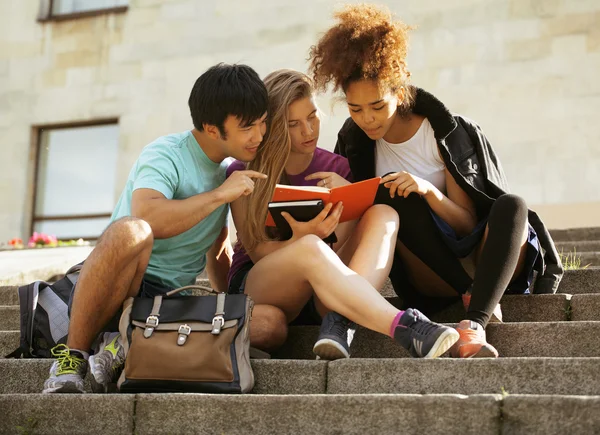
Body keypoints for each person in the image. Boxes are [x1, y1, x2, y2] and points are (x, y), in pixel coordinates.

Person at [308, 4, 563, 358]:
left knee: (513, 205)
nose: (367, 118)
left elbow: (468, 222)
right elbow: (359, 231)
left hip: (487, 260)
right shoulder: (354, 143)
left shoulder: (444, 130)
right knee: (391, 197)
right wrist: (346, 190)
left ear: (400, 89)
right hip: (430, 274)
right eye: (355, 109)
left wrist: (428, 190)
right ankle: (467, 292)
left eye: (377, 106)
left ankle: (474, 323)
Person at [42, 63, 288, 394]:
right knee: (130, 230)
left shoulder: (228, 172)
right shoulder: (166, 153)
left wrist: (227, 303)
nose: (258, 135)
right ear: (212, 128)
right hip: (120, 285)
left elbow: (216, 249)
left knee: (270, 324)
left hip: (170, 305)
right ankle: (73, 356)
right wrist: (218, 196)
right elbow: (149, 217)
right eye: (247, 127)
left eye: (262, 123)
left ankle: (123, 342)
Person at [227, 68, 459, 361]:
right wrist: (303, 238)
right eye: (294, 124)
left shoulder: (338, 167)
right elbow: (258, 252)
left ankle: (341, 319)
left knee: (384, 213)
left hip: (327, 289)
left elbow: (339, 250)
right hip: (263, 284)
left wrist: (349, 195)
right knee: (307, 252)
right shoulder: (244, 171)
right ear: (272, 127)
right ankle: (404, 324)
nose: (308, 131)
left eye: (312, 117)